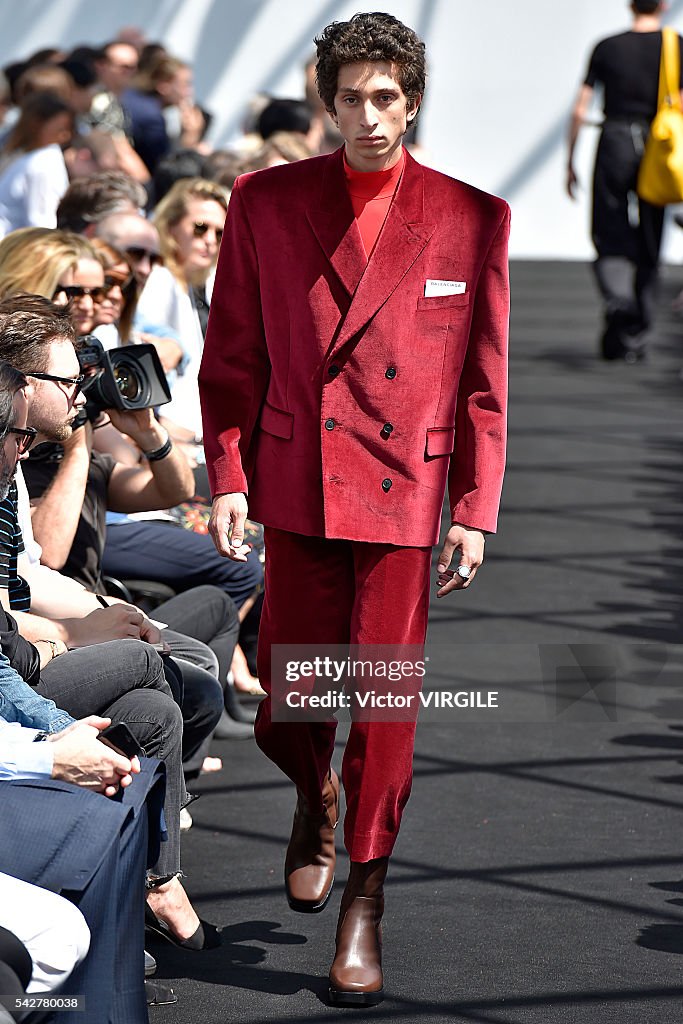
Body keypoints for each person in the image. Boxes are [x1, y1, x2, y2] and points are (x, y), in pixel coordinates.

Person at [199, 11, 510, 1006]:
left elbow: (482, 381)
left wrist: (474, 504)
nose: (369, 116)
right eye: (351, 98)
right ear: (326, 103)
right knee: (292, 694)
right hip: (293, 475)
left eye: (386, 96)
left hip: (403, 493)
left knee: (382, 705)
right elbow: (232, 351)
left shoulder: (471, 214)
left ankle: (363, 905)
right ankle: (311, 789)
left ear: (410, 99)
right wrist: (227, 474)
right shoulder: (262, 201)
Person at [566, 0, 683, 362]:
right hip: (658, 145)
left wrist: (569, 161)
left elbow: (580, 108)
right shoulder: (675, 45)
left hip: (615, 139)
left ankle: (621, 302)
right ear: (663, 6)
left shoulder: (607, 46)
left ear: (630, 5)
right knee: (650, 233)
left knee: (609, 228)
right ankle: (637, 328)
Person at [0, 92, 73, 237]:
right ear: (36, 124)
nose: (65, 135)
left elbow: (43, 222)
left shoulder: (43, 162)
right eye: (59, 129)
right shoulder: (29, 157)